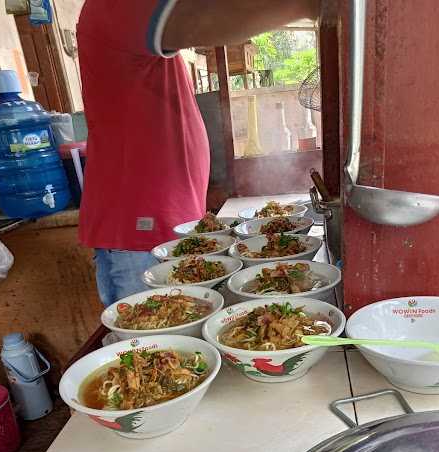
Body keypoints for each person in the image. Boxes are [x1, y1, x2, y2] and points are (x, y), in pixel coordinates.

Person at [77, 0, 319, 307]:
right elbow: (207, 16)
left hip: (161, 230)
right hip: (139, 237)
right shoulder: (115, 5)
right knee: (158, 344)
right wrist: (311, 4)